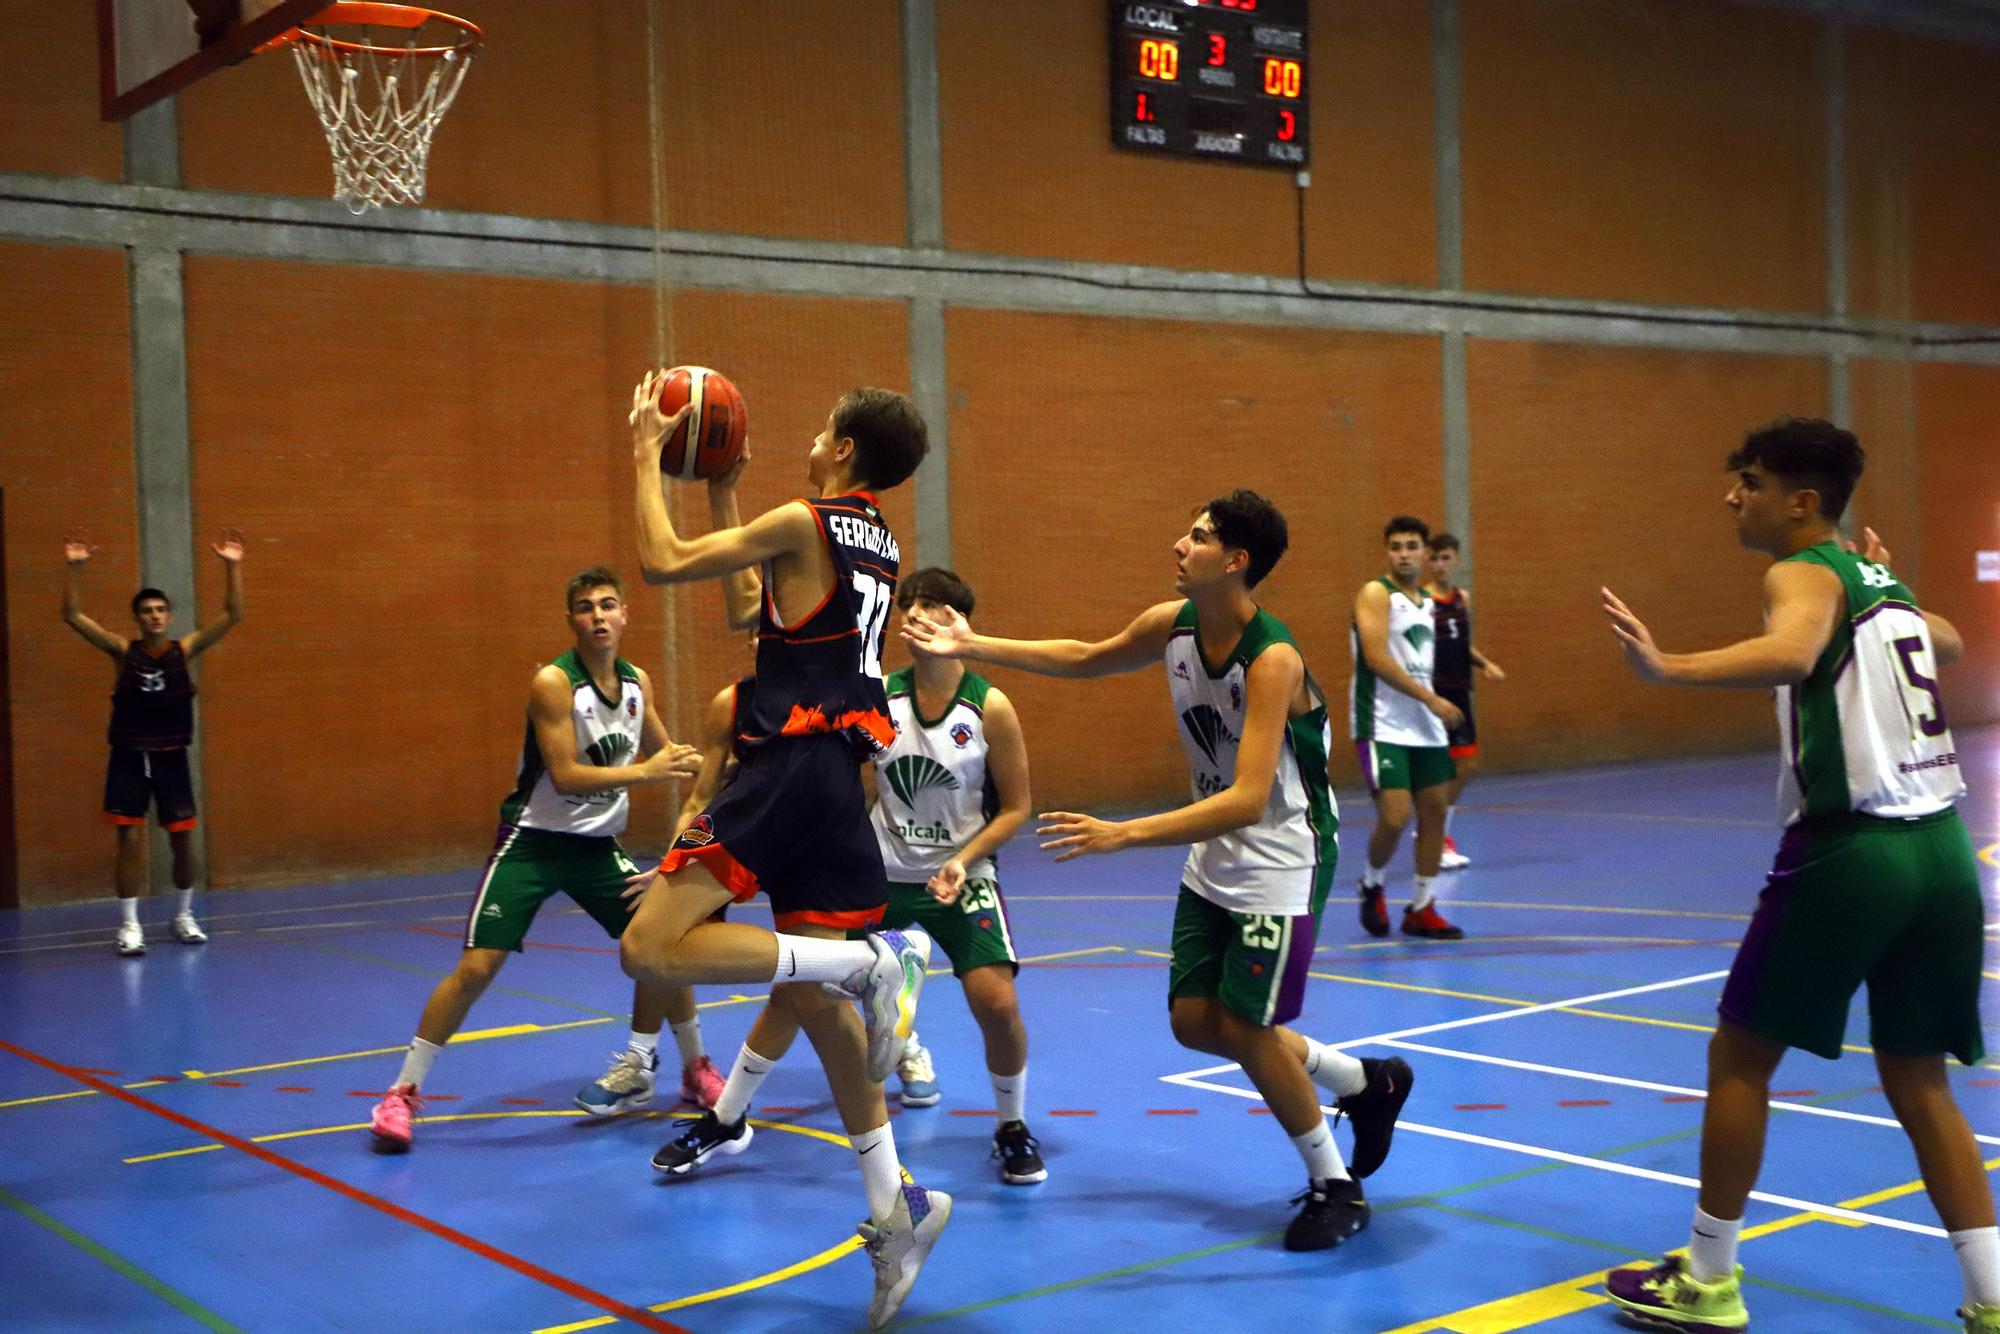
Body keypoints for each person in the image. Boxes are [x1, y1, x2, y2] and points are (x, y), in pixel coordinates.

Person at [904, 490, 1415, 1252]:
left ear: (1235, 562)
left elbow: (1248, 799)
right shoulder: (1172, 626)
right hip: (1215, 852)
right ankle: (1362, 1080)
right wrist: (971, 646)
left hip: (1281, 856)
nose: (1180, 543)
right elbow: (1083, 658)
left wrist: (1122, 834)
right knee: (1191, 1023)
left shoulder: (1272, 658)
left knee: (1248, 1026)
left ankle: (1335, 1185)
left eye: (1200, 536)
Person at [1599, 418, 1998, 1334]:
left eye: (1749, 481)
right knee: (1920, 1078)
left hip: (1852, 850)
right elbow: (1949, 643)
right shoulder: (1874, 579)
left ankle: (1707, 1278)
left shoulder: (1802, 572)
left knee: (1740, 1056)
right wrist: (1884, 582)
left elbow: (1794, 653)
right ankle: (1993, 1297)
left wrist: (1667, 667)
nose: (1731, 496)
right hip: (1942, 850)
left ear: (1802, 502)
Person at [617, 376, 947, 1331]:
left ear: (843, 449)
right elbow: (746, 614)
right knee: (812, 1003)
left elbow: (661, 559)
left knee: (647, 947)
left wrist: (649, 451)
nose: (809, 437)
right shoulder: (873, 536)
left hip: (792, 763)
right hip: (841, 773)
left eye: (821, 426)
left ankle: (869, 964)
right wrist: (722, 485)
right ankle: (899, 1206)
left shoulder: (805, 517)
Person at [659, 567, 1046, 1186]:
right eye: (912, 605)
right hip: (881, 874)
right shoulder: (875, 698)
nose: (919, 615)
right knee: (795, 991)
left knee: (996, 1003)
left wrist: (964, 860)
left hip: (960, 873)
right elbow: (849, 786)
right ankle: (728, 1116)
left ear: (961, 623)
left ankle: (1011, 1125)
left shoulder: (989, 706)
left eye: (936, 608)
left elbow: (1018, 806)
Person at [367, 567, 702, 1149]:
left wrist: (712, 761)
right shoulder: (553, 682)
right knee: (476, 968)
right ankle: (402, 1093)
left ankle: (696, 1068)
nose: (597, 616)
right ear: (570, 619)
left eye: (607, 605)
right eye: (584, 607)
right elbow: (567, 775)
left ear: (625, 615)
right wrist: (647, 773)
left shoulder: (636, 683)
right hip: (534, 842)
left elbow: (664, 751)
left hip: (597, 848)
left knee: (662, 947)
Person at [575, 465, 765, 1119]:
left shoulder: (828, 701)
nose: (760, 633)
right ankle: (666, 1065)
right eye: (757, 629)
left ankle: (892, 1014)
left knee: (831, 974)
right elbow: (702, 798)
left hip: (808, 846)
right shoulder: (733, 705)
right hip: (742, 844)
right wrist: (677, 858)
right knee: (660, 940)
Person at [62, 529, 244, 955]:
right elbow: (73, 615)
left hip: (172, 758)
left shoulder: (186, 649)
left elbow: (233, 615)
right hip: (129, 756)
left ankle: (183, 915)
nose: (156, 615)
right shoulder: (123, 652)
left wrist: (233, 566)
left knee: (182, 838)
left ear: (169, 616)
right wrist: (74, 569)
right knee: (128, 839)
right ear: (138, 619)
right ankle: (129, 926)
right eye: (147, 610)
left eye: (161, 609)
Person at [1351, 515, 1465, 939]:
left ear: (1423, 551)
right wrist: (1431, 699)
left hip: (1426, 726)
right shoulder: (1375, 594)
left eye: (1412, 546)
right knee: (1395, 817)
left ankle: (1422, 906)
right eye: (1396, 546)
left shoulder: (1430, 603)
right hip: (1382, 723)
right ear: (1388, 552)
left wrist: (1447, 700)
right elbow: (1377, 658)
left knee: (1435, 812)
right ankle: (1371, 883)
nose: (1404, 553)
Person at [1423, 532, 1505, 870]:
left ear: (1456, 560)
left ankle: (1436, 829)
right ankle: (1435, 836)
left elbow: (1460, 644)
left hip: (1461, 690)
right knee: (1441, 768)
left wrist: (1485, 664)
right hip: (1434, 693)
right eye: (1435, 559)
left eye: (1446, 558)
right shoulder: (1421, 601)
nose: (1440, 565)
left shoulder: (1461, 598)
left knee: (1467, 765)